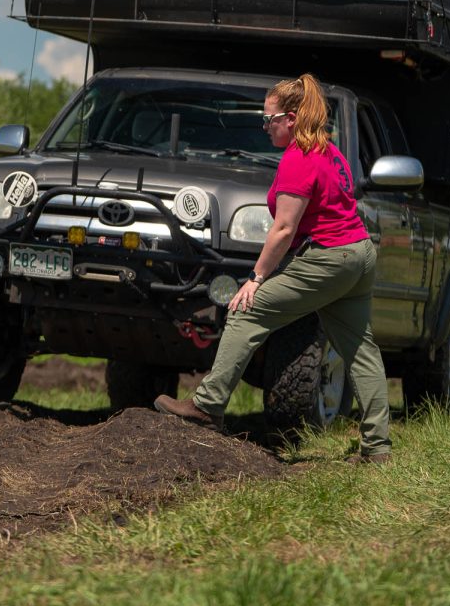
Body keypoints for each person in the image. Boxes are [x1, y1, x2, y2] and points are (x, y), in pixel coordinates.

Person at [154, 73, 392, 463]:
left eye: (270, 119)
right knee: (360, 349)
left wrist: (255, 278)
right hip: (358, 255)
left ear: (292, 118)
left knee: (247, 309)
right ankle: (377, 448)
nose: (265, 127)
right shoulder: (329, 151)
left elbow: (283, 229)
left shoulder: (299, 159)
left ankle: (208, 406)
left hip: (330, 257)